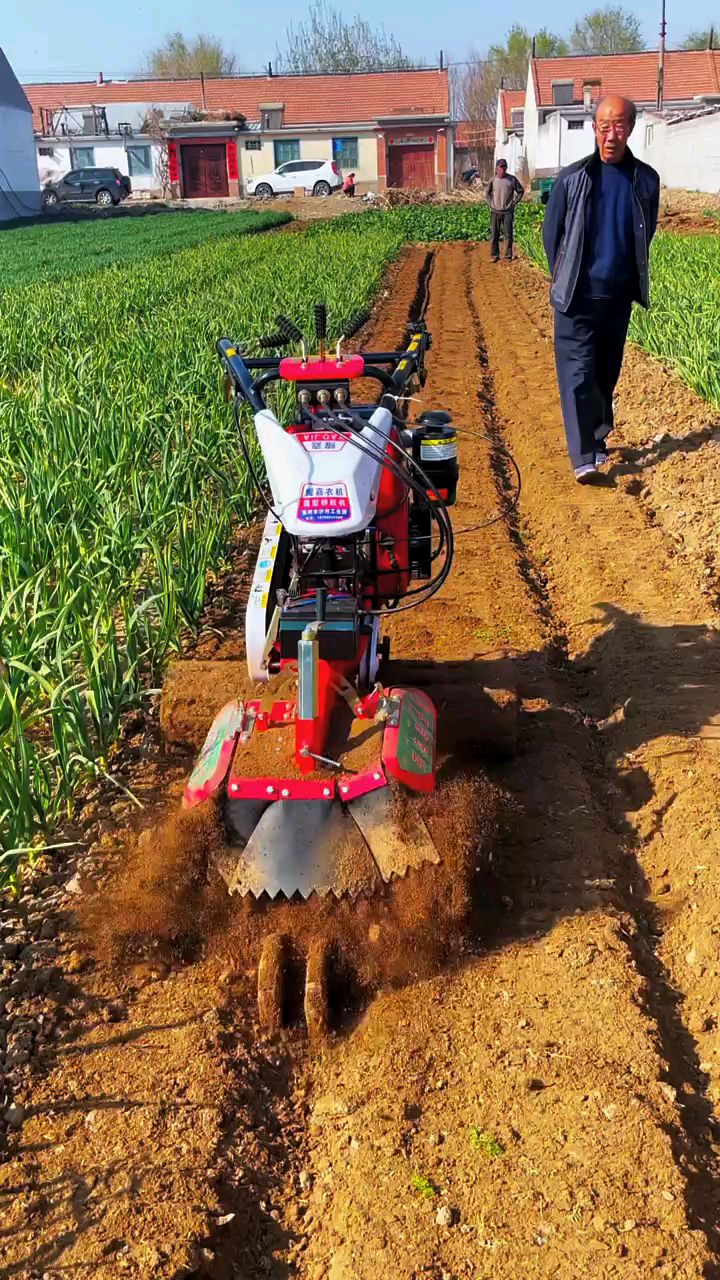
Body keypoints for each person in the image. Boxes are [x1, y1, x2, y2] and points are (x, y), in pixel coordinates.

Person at [543, 94, 660, 483]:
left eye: (620, 125)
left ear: (631, 128)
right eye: (604, 126)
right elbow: (552, 234)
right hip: (576, 296)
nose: (612, 134)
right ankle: (583, 459)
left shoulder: (646, 180)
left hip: (617, 297)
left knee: (604, 374)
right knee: (577, 374)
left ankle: (596, 441)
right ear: (594, 129)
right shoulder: (572, 178)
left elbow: (646, 232)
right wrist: (565, 275)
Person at [486, 159, 524, 261]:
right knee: (494, 235)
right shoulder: (493, 180)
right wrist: (491, 203)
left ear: (506, 168)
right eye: (501, 167)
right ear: (497, 168)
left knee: (508, 235)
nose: (502, 169)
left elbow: (520, 191)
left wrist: (514, 203)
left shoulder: (512, 180)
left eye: (504, 167)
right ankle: (495, 255)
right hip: (495, 211)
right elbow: (487, 193)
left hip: (507, 212)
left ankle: (507, 256)